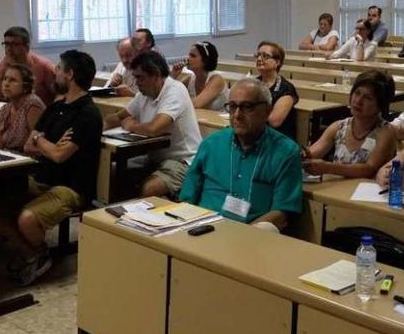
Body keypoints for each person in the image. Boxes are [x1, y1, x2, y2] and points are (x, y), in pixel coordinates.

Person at [0, 50, 102, 286]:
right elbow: (28, 145)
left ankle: (41, 254)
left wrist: (41, 142)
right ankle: (32, 253)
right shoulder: (55, 107)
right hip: (40, 176)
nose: (56, 72)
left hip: (70, 188)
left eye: (60, 69)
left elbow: (59, 155)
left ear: (70, 75)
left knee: (27, 219)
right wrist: (46, 145)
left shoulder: (88, 114)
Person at [180, 79, 303, 232]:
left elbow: (282, 213)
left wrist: (243, 235)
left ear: (267, 110)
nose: (237, 115)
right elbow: (187, 197)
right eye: (232, 107)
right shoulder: (211, 144)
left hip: (252, 237)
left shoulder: (286, 152)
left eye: (247, 107)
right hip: (201, 231)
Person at [104, 51, 202, 197]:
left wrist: (131, 126)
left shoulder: (175, 90)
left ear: (156, 75)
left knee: (149, 189)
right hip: (154, 159)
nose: (136, 82)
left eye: (140, 78)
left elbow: (154, 128)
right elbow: (118, 118)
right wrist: (98, 125)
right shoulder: (144, 94)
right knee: (110, 174)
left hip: (183, 161)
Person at [302, 71, 397, 178]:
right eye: (357, 93)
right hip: (337, 190)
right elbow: (313, 152)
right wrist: (302, 154)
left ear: (380, 105)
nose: (358, 101)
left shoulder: (386, 131)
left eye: (367, 98)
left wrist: (327, 167)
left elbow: (370, 169)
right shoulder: (338, 127)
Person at [0, 27, 56, 105]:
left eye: (14, 44)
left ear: (26, 47)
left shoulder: (44, 66)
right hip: (13, 112)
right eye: (6, 44)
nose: (9, 49)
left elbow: (60, 95)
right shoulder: (2, 65)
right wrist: (2, 67)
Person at [254, 41, 299, 140]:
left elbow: (274, 121)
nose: (259, 59)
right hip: (255, 134)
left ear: (277, 62)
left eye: (265, 56)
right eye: (258, 55)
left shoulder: (286, 89)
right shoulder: (253, 83)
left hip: (277, 140)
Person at [0, 63, 46, 152]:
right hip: (8, 158)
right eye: (5, 79)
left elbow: (39, 143)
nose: (6, 84)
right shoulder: (5, 109)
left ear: (26, 86)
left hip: (28, 160)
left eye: (13, 80)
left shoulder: (32, 104)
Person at [171, 41, 228, 111]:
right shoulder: (190, 78)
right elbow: (170, 95)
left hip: (219, 120)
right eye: (189, 55)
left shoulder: (216, 79)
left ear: (205, 61)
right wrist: (173, 76)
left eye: (193, 56)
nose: (187, 59)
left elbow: (196, 104)